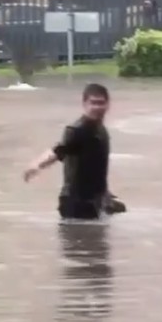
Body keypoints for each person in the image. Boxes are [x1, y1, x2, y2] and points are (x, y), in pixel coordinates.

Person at [23, 83, 126, 220]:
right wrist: (37, 164)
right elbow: (58, 151)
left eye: (100, 103)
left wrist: (107, 196)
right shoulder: (77, 130)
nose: (96, 107)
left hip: (95, 201)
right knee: (79, 240)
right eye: (93, 103)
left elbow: (96, 169)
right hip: (76, 203)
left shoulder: (100, 130)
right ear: (84, 104)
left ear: (108, 105)